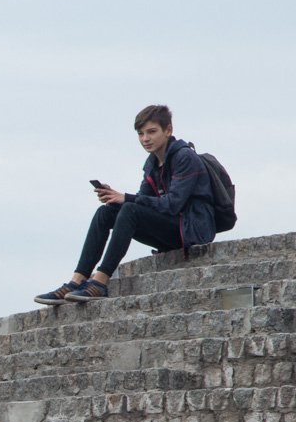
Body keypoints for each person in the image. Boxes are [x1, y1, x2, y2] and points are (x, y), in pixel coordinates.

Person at [35, 104, 216, 305]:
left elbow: (172, 204)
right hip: (172, 228)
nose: (145, 138)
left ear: (168, 130)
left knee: (130, 208)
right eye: (141, 134)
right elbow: (144, 200)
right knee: (107, 212)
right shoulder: (152, 163)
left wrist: (127, 198)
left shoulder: (184, 157)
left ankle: (100, 282)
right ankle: (77, 280)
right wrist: (116, 198)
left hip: (191, 230)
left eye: (152, 132)